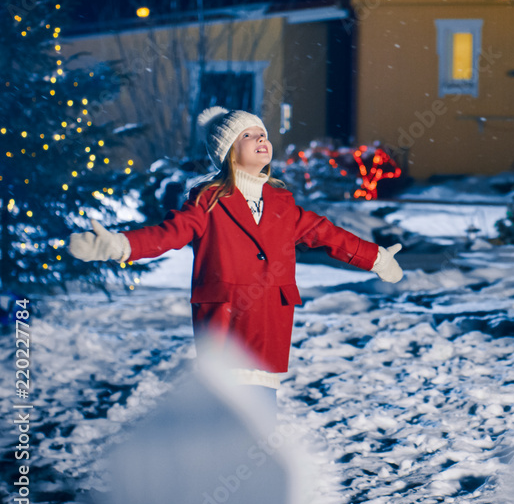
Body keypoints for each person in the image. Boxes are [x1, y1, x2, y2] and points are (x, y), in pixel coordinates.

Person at [68, 107, 403, 421]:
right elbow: (169, 234)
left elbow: (328, 235)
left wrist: (376, 258)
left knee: (262, 417)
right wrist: (119, 245)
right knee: (227, 416)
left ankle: (257, 480)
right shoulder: (208, 201)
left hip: (270, 319)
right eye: (248, 135)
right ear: (228, 150)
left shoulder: (283, 204)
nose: (261, 139)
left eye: (263, 134)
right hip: (226, 320)